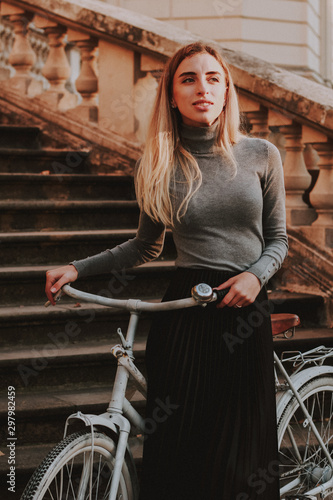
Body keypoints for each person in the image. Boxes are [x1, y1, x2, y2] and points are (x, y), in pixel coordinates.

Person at [45, 42, 288, 499]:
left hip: (245, 310)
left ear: (227, 90)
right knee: (178, 454)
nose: (203, 88)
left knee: (241, 458)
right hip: (183, 312)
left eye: (213, 78)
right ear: (171, 95)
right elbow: (144, 246)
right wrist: (78, 268)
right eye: (189, 79)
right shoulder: (159, 162)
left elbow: (279, 241)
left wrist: (256, 275)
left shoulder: (261, 154)